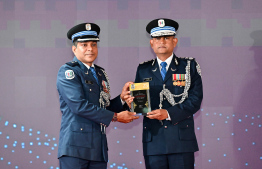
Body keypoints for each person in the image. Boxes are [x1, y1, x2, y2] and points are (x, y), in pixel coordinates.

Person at [56, 22, 139, 169]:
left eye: (94, 44)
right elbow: (79, 106)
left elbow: (103, 107)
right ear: (74, 49)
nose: (90, 49)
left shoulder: (100, 73)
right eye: (84, 44)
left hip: (98, 149)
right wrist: (116, 117)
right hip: (75, 148)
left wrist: (121, 99)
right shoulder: (68, 72)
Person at [133, 18, 203, 169]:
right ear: (151, 43)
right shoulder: (143, 69)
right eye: (157, 38)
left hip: (181, 141)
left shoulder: (189, 67)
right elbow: (140, 104)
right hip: (154, 141)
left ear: (175, 41)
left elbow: (195, 100)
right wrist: (129, 101)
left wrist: (168, 113)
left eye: (166, 38)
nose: (162, 41)